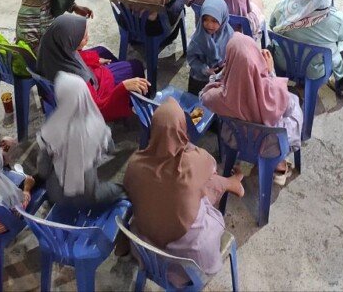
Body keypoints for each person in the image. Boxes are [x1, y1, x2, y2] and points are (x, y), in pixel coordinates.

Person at [123, 97, 245, 281]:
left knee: (190, 189)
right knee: (204, 186)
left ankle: (232, 183)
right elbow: (212, 165)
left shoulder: (134, 163)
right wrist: (187, 146)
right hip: (187, 261)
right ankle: (233, 183)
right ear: (183, 130)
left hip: (148, 250)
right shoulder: (192, 161)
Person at [200, 33, 304, 184]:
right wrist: (270, 73)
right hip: (270, 145)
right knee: (294, 102)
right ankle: (280, 164)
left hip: (237, 141)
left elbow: (203, 96)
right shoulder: (273, 89)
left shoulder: (222, 97)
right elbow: (286, 108)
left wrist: (224, 75)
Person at [269, 0, 343, 102]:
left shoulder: (286, 5)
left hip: (283, 63)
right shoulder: (335, 19)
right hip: (315, 71)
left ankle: (301, 83)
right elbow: (342, 36)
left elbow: (272, 24)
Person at [34, 73, 125, 209]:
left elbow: (43, 170)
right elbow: (110, 149)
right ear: (85, 94)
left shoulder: (50, 129)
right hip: (88, 196)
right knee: (120, 189)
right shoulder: (98, 125)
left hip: (56, 196)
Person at [36, 14, 148, 122]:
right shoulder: (80, 80)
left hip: (72, 92)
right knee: (136, 66)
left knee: (102, 52)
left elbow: (76, 57)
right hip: (98, 95)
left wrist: (94, 60)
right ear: (70, 41)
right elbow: (99, 109)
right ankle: (139, 106)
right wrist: (124, 86)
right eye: (84, 37)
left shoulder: (51, 48)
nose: (88, 38)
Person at [185, 0, 235, 96]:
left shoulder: (229, 34)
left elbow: (232, 51)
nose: (209, 25)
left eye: (214, 21)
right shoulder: (198, 39)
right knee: (198, 102)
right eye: (205, 19)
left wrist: (226, 63)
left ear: (223, 18)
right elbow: (191, 58)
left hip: (220, 74)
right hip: (200, 78)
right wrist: (205, 69)